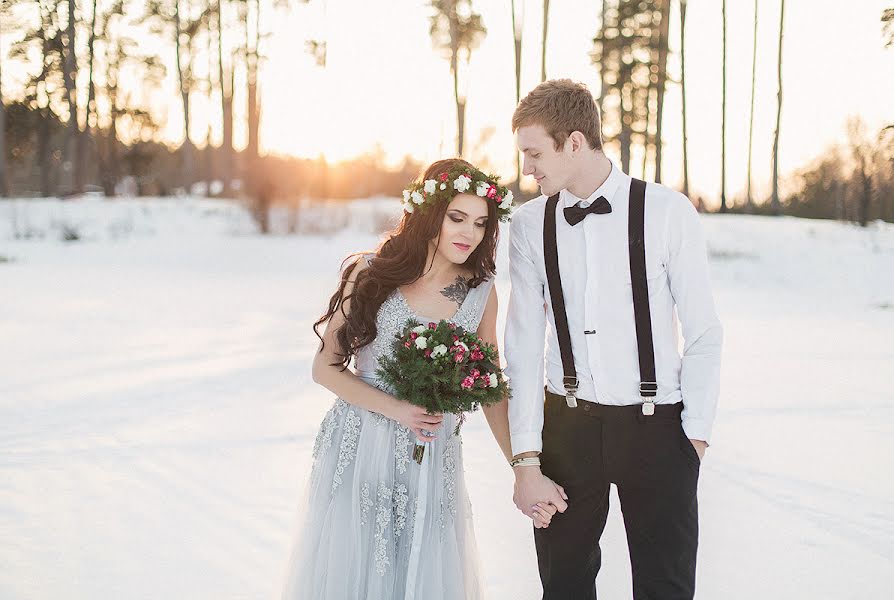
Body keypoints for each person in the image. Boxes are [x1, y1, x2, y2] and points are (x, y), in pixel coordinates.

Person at [282, 158, 556, 599]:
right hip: (360, 447)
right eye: (457, 218)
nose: (469, 233)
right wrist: (399, 410)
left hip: (432, 455)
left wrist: (523, 469)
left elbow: (491, 390)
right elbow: (325, 368)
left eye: (482, 223)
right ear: (430, 214)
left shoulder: (480, 292)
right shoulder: (369, 273)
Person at [504, 79, 724, 599]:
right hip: (567, 429)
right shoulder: (529, 225)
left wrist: (694, 437)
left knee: (664, 588)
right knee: (564, 586)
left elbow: (705, 331)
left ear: (574, 142)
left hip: (658, 429)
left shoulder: (669, 212)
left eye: (535, 153)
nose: (527, 168)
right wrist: (526, 458)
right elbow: (522, 346)